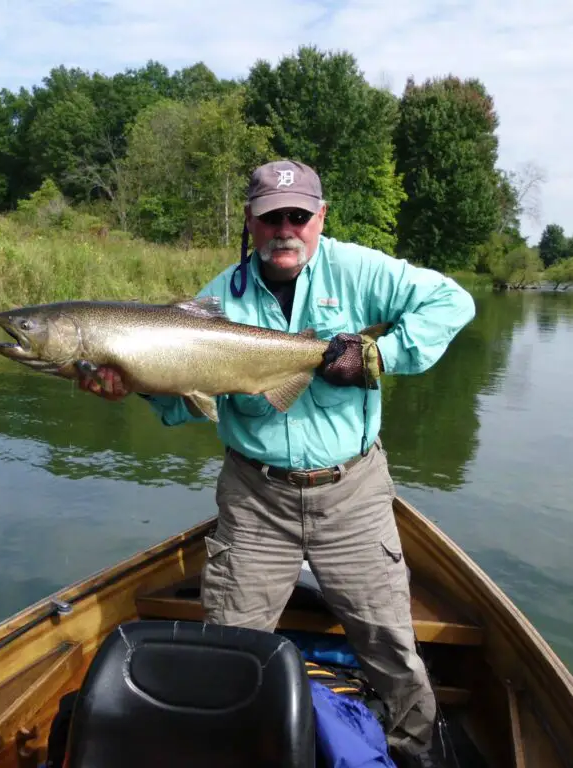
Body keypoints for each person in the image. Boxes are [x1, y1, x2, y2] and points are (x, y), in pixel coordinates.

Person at [76, 159, 476, 765]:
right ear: (251, 222)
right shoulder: (217, 300)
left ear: (319, 217)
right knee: (229, 645)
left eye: (297, 216)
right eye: (270, 218)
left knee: (391, 646)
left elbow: (453, 302)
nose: (284, 229)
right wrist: (134, 384)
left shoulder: (361, 269)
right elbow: (187, 409)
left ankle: (415, 755)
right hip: (255, 497)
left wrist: (379, 355)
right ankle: (235, 752)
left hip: (354, 494)